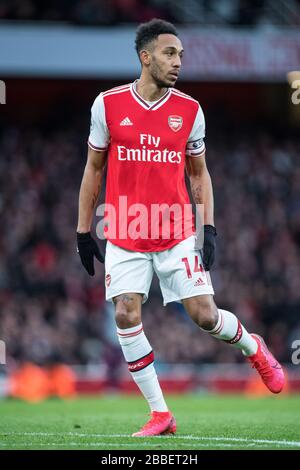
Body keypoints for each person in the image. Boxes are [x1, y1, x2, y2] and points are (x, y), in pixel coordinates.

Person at [76, 19, 285, 437]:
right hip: (124, 231)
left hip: (175, 233)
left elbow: (200, 174)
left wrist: (209, 228)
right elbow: (93, 168)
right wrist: (84, 231)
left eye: (182, 56)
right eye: (170, 54)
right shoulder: (108, 105)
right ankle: (161, 414)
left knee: (205, 317)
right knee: (124, 312)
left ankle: (253, 345)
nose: (178, 62)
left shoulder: (189, 110)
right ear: (146, 56)